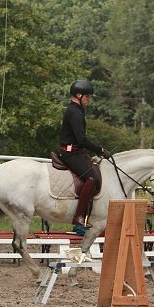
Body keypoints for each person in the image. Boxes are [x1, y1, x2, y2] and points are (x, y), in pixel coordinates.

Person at [58, 79, 112, 227]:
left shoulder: (77, 110)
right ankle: (79, 216)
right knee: (92, 178)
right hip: (70, 153)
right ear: (79, 95)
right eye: (87, 96)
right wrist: (100, 150)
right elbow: (81, 139)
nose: (89, 99)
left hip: (77, 152)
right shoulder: (75, 112)